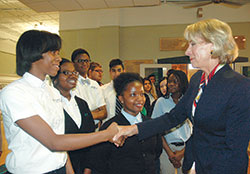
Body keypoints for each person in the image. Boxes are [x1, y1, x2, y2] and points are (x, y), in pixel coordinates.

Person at [113, 19, 250, 174]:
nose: (187, 51)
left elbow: (235, 150)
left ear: (213, 46)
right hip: (195, 163)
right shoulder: (198, 79)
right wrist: (132, 129)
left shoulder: (241, 87)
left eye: (193, 44)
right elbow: (173, 117)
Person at [0, 30, 118, 174]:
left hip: (59, 168)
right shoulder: (15, 92)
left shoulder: (52, 92)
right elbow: (53, 141)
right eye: (53, 53)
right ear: (34, 54)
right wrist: (107, 134)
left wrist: (69, 170)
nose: (58, 58)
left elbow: (60, 139)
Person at [88, 72, 162, 174]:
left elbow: (156, 152)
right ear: (121, 98)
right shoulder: (109, 127)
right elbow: (99, 162)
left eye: (142, 94)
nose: (139, 99)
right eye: (133, 95)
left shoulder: (150, 124)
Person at [51, 58, 96, 173]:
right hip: (61, 168)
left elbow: (91, 135)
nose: (73, 76)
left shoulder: (82, 103)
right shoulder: (50, 104)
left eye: (74, 72)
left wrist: (89, 167)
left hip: (85, 167)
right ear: (54, 78)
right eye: (66, 73)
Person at [151, 70, 192, 174]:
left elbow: (196, 128)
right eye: (169, 81)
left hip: (185, 148)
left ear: (182, 83)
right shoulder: (161, 102)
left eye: (175, 81)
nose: (171, 84)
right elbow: (156, 129)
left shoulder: (188, 102)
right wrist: (170, 154)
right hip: (166, 149)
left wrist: (182, 153)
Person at [71, 48, 107, 128]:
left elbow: (104, 113)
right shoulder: (71, 83)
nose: (84, 63)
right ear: (73, 63)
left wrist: (86, 114)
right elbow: (76, 113)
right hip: (79, 129)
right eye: (80, 61)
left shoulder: (94, 84)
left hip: (95, 128)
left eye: (87, 61)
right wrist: (97, 112)